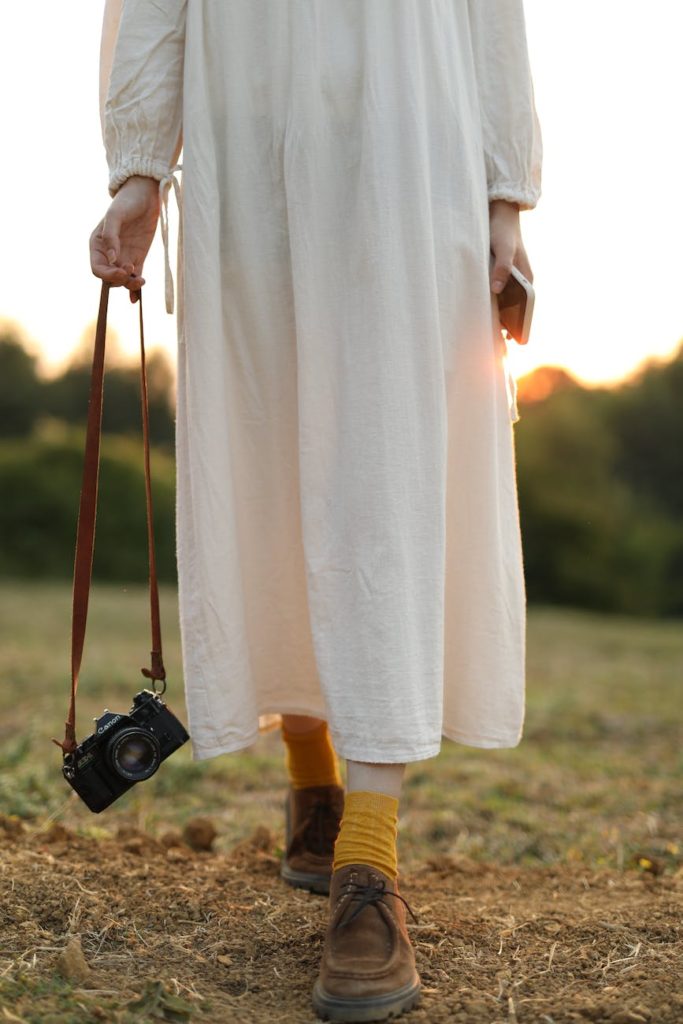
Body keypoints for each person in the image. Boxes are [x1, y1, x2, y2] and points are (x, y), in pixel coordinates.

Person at [91, 2, 541, 1020]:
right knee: (267, 450)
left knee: (385, 474)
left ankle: (366, 861)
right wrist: (138, 171)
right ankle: (311, 772)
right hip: (245, 126)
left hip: (413, 136)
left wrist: (505, 196)